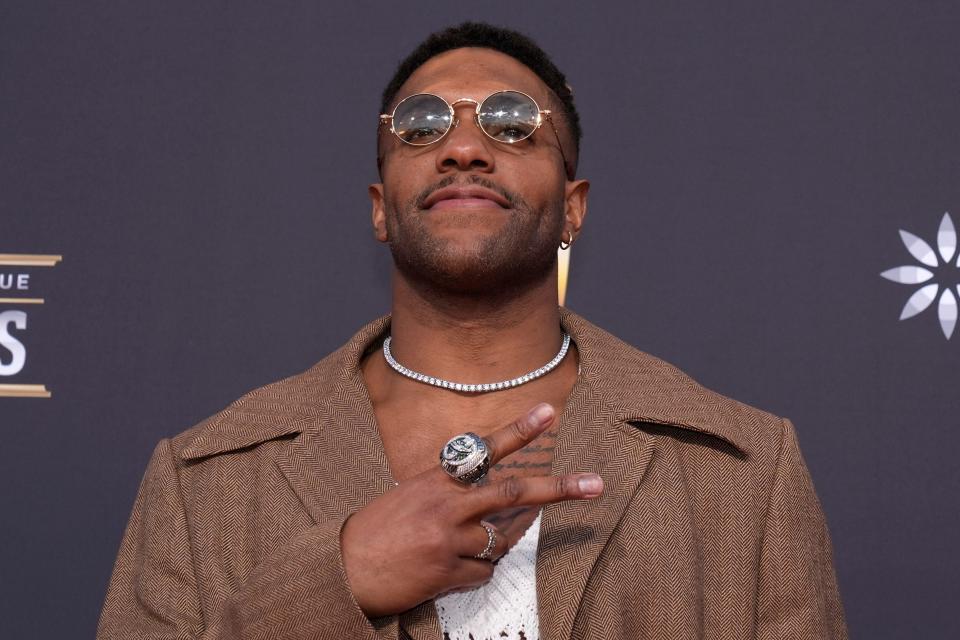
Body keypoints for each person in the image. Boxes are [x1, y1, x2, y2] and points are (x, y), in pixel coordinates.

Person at [97, 22, 847, 640]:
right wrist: (336, 583)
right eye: (421, 126)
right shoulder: (206, 480)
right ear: (380, 207)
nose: (463, 148)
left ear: (574, 207)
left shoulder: (743, 472)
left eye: (514, 125)